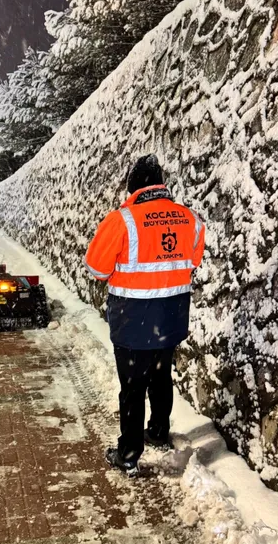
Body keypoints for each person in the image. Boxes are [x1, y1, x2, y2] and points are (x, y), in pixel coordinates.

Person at [84, 155, 205, 477]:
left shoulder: (121, 220)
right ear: (160, 184)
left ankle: (128, 454)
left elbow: (97, 268)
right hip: (171, 316)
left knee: (133, 387)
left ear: (134, 187)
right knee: (161, 376)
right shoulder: (189, 218)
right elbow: (192, 260)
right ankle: (159, 431)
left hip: (133, 319)